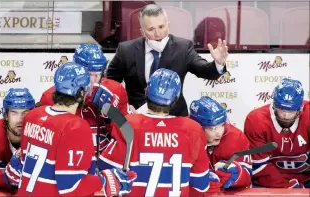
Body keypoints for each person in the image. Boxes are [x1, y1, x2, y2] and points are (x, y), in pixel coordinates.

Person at [17, 62, 137, 196]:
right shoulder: (75, 127)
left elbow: (22, 164)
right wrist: (108, 179)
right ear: (81, 93)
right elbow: (70, 187)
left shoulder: (32, 115)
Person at [98, 68, 210, 197]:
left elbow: (105, 169)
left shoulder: (128, 124)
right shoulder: (193, 129)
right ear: (176, 98)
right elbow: (201, 186)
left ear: (146, 92)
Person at [107, 4, 229, 116]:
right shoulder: (126, 50)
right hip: (138, 119)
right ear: (142, 32)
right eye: (151, 29)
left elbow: (205, 70)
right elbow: (110, 85)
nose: (158, 33)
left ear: (168, 25)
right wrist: (125, 108)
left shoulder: (183, 47)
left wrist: (218, 63)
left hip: (174, 117)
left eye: (161, 27)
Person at [40, 43, 132, 152]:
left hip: (105, 159)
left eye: (97, 75)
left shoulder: (116, 90)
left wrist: (111, 115)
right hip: (68, 159)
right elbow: (46, 140)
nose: (93, 81)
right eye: (89, 75)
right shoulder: (51, 96)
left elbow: (128, 134)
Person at [244, 78, 309, 188]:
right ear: (274, 105)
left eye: (291, 110)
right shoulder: (256, 120)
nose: (286, 116)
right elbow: (259, 166)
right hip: (270, 183)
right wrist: (288, 188)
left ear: (300, 109)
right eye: (282, 109)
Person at [189, 96, 252, 195]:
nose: (219, 133)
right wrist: (196, 180)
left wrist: (237, 173)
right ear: (197, 127)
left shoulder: (236, 138)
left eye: (222, 125)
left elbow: (247, 174)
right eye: (212, 129)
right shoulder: (183, 136)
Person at [0, 88, 35, 190]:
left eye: (25, 113)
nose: (20, 119)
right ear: (6, 116)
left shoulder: (39, 132)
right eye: (14, 113)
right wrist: (5, 175)